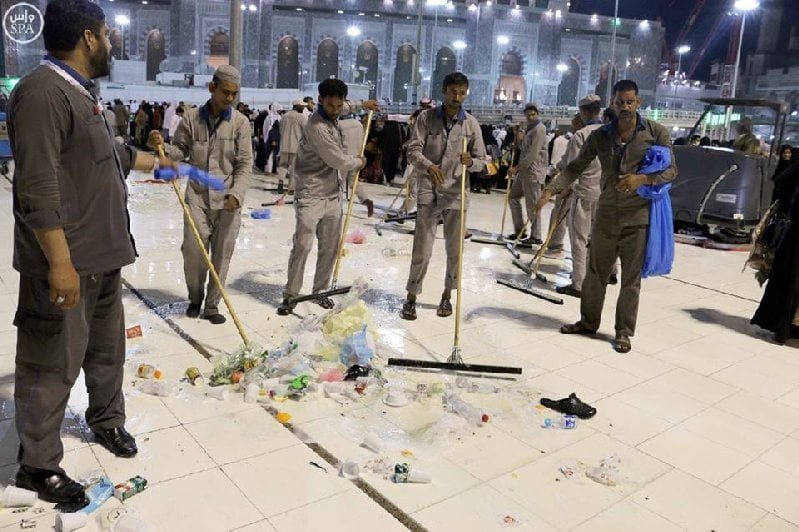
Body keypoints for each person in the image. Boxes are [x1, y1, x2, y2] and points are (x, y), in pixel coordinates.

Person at [7, 0, 175, 505]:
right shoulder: (42, 93)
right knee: (50, 363)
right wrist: (59, 263)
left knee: (106, 355)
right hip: (68, 263)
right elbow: (36, 186)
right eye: (106, 33)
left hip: (102, 259)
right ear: (88, 37)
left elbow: (112, 157)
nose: (111, 41)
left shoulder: (84, 94)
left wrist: (158, 164)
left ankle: (106, 421)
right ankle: (36, 466)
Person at [537, 79, 677, 353]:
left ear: (638, 103)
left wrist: (642, 179)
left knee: (630, 280)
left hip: (638, 219)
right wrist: (550, 190)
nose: (624, 107)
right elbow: (575, 166)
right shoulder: (600, 136)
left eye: (629, 101)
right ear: (612, 103)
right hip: (605, 217)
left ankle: (623, 332)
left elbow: (672, 171)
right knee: (594, 274)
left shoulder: (655, 132)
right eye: (620, 102)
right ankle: (588, 322)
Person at [150, 65, 253, 325]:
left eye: (234, 94)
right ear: (212, 87)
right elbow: (179, 152)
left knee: (222, 254)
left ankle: (212, 306)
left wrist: (237, 195)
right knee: (193, 252)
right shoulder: (191, 118)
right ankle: (195, 298)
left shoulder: (240, 123)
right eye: (225, 92)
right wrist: (161, 147)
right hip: (197, 196)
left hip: (228, 199)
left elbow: (244, 164)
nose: (230, 98)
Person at [277, 80, 376, 315]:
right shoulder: (317, 127)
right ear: (320, 100)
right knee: (303, 244)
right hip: (311, 193)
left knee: (330, 247)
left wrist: (365, 104)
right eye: (332, 106)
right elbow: (338, 161)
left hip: (333, 194)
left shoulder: (336, 110)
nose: (336, 109)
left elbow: (347, 107)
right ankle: (291, 295)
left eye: (339, 105)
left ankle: (320, 290)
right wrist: (360, 162)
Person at [400, 72, 487, 320]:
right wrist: (429, 165)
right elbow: (413, 150)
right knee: (422, 250)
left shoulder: (471, 124)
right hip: (429, 189)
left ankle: (447, 295)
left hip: (457, 193)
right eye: (453, 92)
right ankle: (412, 296)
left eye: (462, 92)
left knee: (454, 250)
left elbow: (483, 160)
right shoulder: (426, 118)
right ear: (444, 91)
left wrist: (472, 163)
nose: (457, 97)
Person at [553, 95, 606, 298]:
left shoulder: (581, 135)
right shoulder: (608, 132)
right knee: (595, 240)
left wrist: (566, 188)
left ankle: (578, 284)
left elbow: (573, 166)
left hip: (583, 193)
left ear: (583, 111)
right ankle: (593, 282)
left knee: (579, 240)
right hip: (602, 195)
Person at [752, 162, 799, 344]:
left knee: (789, 280)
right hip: (795, 236)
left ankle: (785, 327)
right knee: (792, 281)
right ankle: (787, 327)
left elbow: (781, 180)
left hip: (793, 234)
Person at [507, 103, 548, 244]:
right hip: (524, 171)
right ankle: (520, 231)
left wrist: (516, 168)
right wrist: (517, 138)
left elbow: (532, 154)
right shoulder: (529, 130)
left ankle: (536, 236)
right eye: (528, 115)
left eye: (533, 115)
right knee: (513, 197)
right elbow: (523, 149)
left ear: (537, 114)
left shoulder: (539, 129)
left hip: (533, 172)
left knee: (533, 205)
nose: (531, 117)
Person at [339, 113, 375, 216]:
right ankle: (365, 199)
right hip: (357, 156)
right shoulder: (358, 124)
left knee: (339, 182)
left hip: (344, 157)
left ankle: (337, 206)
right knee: (354, 182)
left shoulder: (339, 125)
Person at [276, 99, 308, 191]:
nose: (303, 108)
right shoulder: (300, 117)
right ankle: (291, 188)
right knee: (294, 168)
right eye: (302, 106)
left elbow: (281, 130)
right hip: (296, 146)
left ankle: (280, 182)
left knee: (283, 165)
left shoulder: (284, 116)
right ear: (297, 106)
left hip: (284, 146)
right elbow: (306, 131)